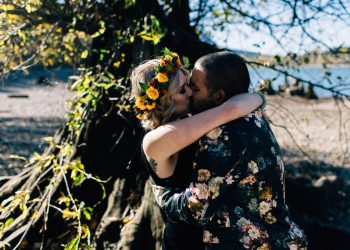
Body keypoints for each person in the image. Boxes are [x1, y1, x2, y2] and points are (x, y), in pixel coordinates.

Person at [152, 51, 308, 249]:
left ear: (219, 96)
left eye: (195, 88)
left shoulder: (224, 136)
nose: (190, 94)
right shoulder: (252, 115)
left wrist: (162, 195)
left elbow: (196, 209)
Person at [130, 49, 264, 250]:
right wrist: (258, 98)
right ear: (164, 101)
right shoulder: (155, 140)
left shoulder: (189, 121)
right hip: (184, 240)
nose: (192, 93)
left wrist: (257, 98)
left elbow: (249, 101)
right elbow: (232, 108)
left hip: (212, 236)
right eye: (184, 90)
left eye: (191, 86)